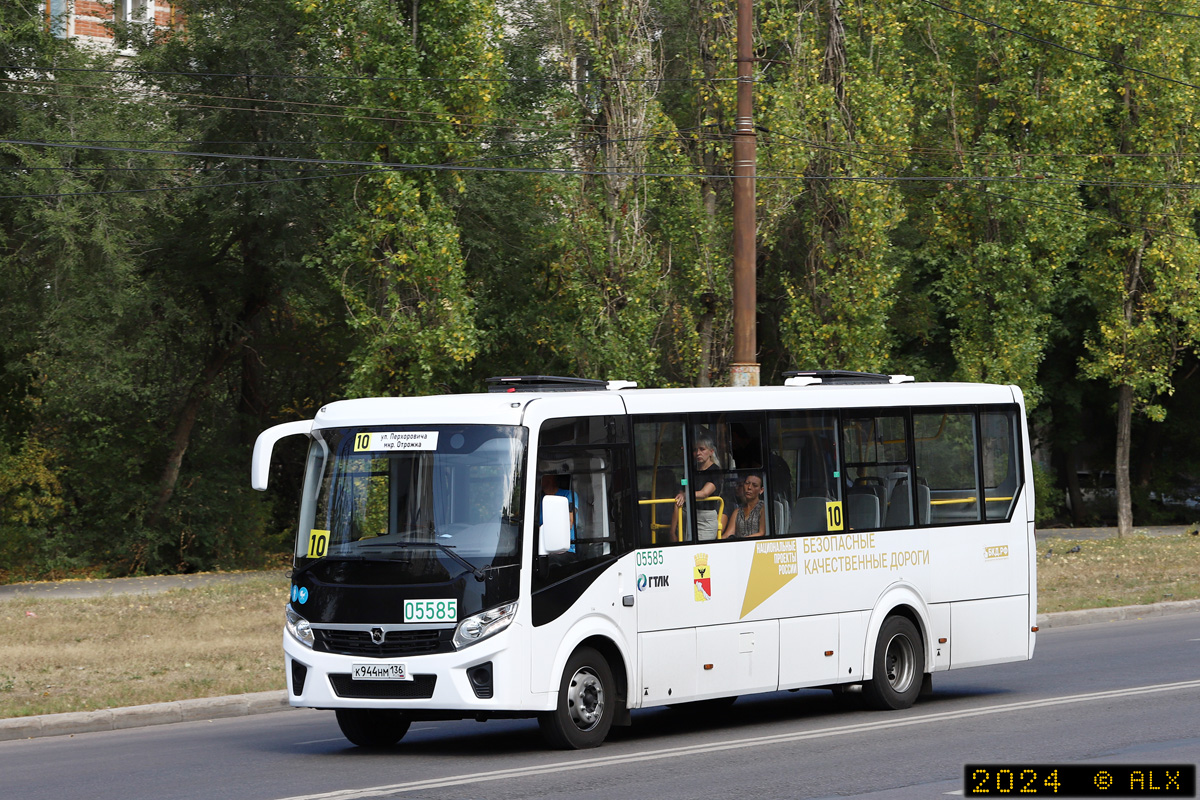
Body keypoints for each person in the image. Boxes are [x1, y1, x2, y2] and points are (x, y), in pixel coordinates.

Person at [674, 429, 721, 541]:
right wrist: (681, 495)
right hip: (688, 515)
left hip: (706, 518)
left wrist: (685, 495)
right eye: (696, 450)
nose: (698, 453)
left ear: (711, 451)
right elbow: (683, 486)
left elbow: (705, 493)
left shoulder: (715, 470)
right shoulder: (690, 469)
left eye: (702, 449)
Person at [539, 472, 577, 553]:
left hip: (565, 550)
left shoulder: (569, 495)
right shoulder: (538, 500)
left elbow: (569, 522)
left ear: (550, 478)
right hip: (541, 547)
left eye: (541, 476)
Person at [722, 473, 766, 538]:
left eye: (755, 485)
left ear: (761, 490)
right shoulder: (737, 511)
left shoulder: (764, 508)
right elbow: (728, 534)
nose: (749, 487)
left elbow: (762, 533)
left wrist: (742, 541)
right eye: (747, 483)